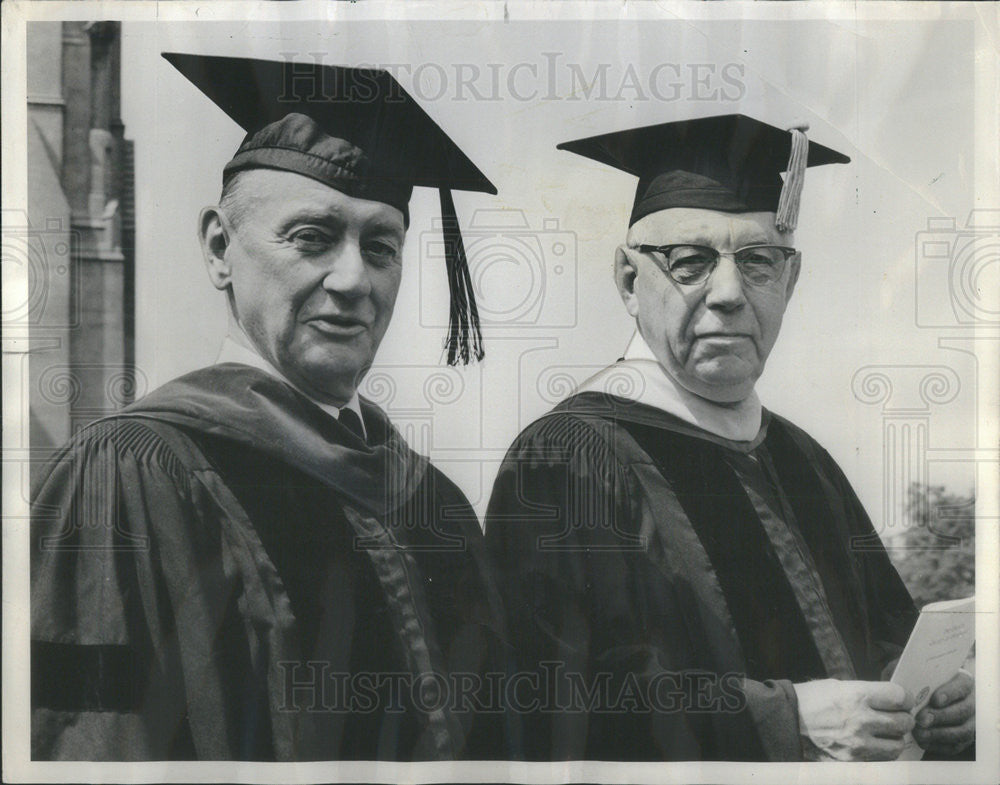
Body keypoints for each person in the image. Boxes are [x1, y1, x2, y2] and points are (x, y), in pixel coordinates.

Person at [31, 53, 509, 761]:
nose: (352, 278)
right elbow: (88, 747)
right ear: (220, 248)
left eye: (381, 246)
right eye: (312, 237)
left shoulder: (433, 505)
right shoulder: (128, 476)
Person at [484, 114, 975, 761]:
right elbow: (545, 698)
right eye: (689, 262)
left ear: (789, 279)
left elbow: (885, 632)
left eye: (758, 261)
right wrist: (786, 717)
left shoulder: (804, 458)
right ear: (630, 281)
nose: (728, 293)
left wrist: (948, 703)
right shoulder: (563, 459)